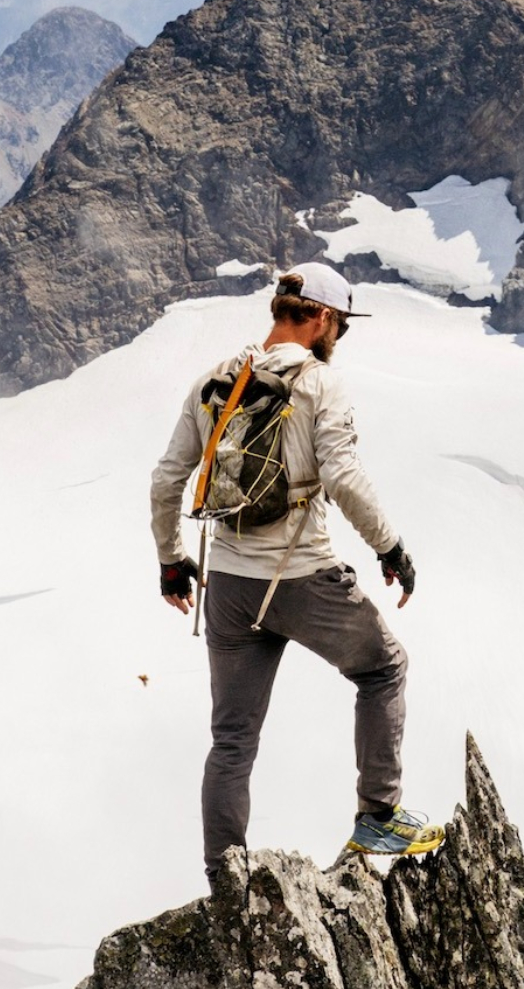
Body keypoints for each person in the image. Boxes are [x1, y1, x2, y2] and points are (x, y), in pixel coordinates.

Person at [149, 263, 436, 875]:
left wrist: (172, 561)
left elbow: (167, 479)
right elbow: (342, 475)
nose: (340, 338)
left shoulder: (215, 381)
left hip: (228, 588)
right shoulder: (320, 384)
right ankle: (379, 816)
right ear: (323, 318)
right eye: (342, 327)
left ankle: (226, 878)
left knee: (232, 741)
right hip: (301, 577)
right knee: (385, 668)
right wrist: (390, 548)